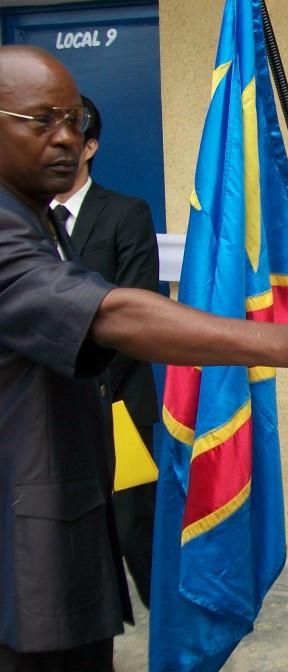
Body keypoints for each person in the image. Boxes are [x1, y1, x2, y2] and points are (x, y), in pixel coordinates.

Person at [0, 46, 288, 672]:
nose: (64, 136)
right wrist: (286, 340)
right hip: (17, 574)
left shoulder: (38, 219)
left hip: (68, 546)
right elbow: (108, 315)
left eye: (73, 119)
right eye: (39, 121)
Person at [51, 94, 161, 609]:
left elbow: (137, 311)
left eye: (69, 139)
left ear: (90, 147)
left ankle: (168, 637)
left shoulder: (124, 214)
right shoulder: (24, 220)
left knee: (134, 527)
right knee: (69, 536)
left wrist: (93, 384)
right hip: (46, 410)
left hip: (117, 403)